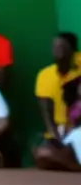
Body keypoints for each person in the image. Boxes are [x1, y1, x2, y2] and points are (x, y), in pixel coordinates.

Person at [32, 31, 81, 171]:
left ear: (73, 51)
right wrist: (55, 136)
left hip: (77, 129)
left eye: (62, 46)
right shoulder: (45, 75)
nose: (57, 50)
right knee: (41, 153)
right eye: (54, 46)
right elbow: (46, 112)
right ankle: (72, 164)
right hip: (59, 133)